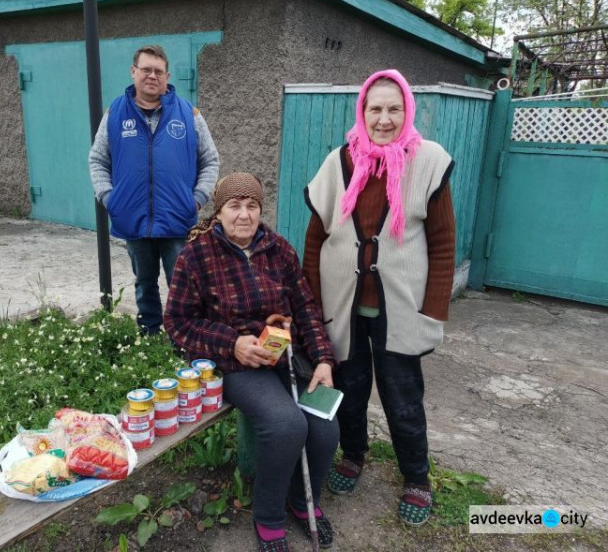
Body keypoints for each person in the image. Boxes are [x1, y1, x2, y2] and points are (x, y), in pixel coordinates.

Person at [303, 69, 456, 527]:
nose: (384, 119)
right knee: (349, 389)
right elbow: (315, 239)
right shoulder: (340, 162)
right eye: (376, 109)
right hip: (343, 304)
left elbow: (443, 241)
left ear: (407, 111)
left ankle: (416, 478)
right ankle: (353, 455)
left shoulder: (427, 161)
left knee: (402, 396)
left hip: (400, 306)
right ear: (362, 113)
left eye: (394, 109)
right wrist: (312, 304)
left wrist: (433, 309)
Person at [164, 173, 339, 551]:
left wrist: (323, 359)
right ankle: (269, 517)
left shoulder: (279, 249)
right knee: (285, 424)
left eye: (252, 206)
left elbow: (306, 307)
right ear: (219, 211)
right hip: (233, 363)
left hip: (284, 353)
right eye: (234, 206)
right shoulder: (197, 255)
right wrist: (232, 343)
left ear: (261, 210)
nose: (244, 215)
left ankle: (300, 501)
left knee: (325, 427)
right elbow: (177, 323)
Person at [89, 44, 219, 334]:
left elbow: (210, 159)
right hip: (133, 220)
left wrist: (196, 199)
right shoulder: (115, 114)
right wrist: (110, 199)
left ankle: (182, 336)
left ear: (167, 75)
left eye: (158, 71)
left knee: (182, 285)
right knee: (144, 283)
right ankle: (149, 334)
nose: (152, 76)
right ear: (133, 72)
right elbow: (97, 160)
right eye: (146, 69)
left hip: (177, 221)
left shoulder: (189, 114)